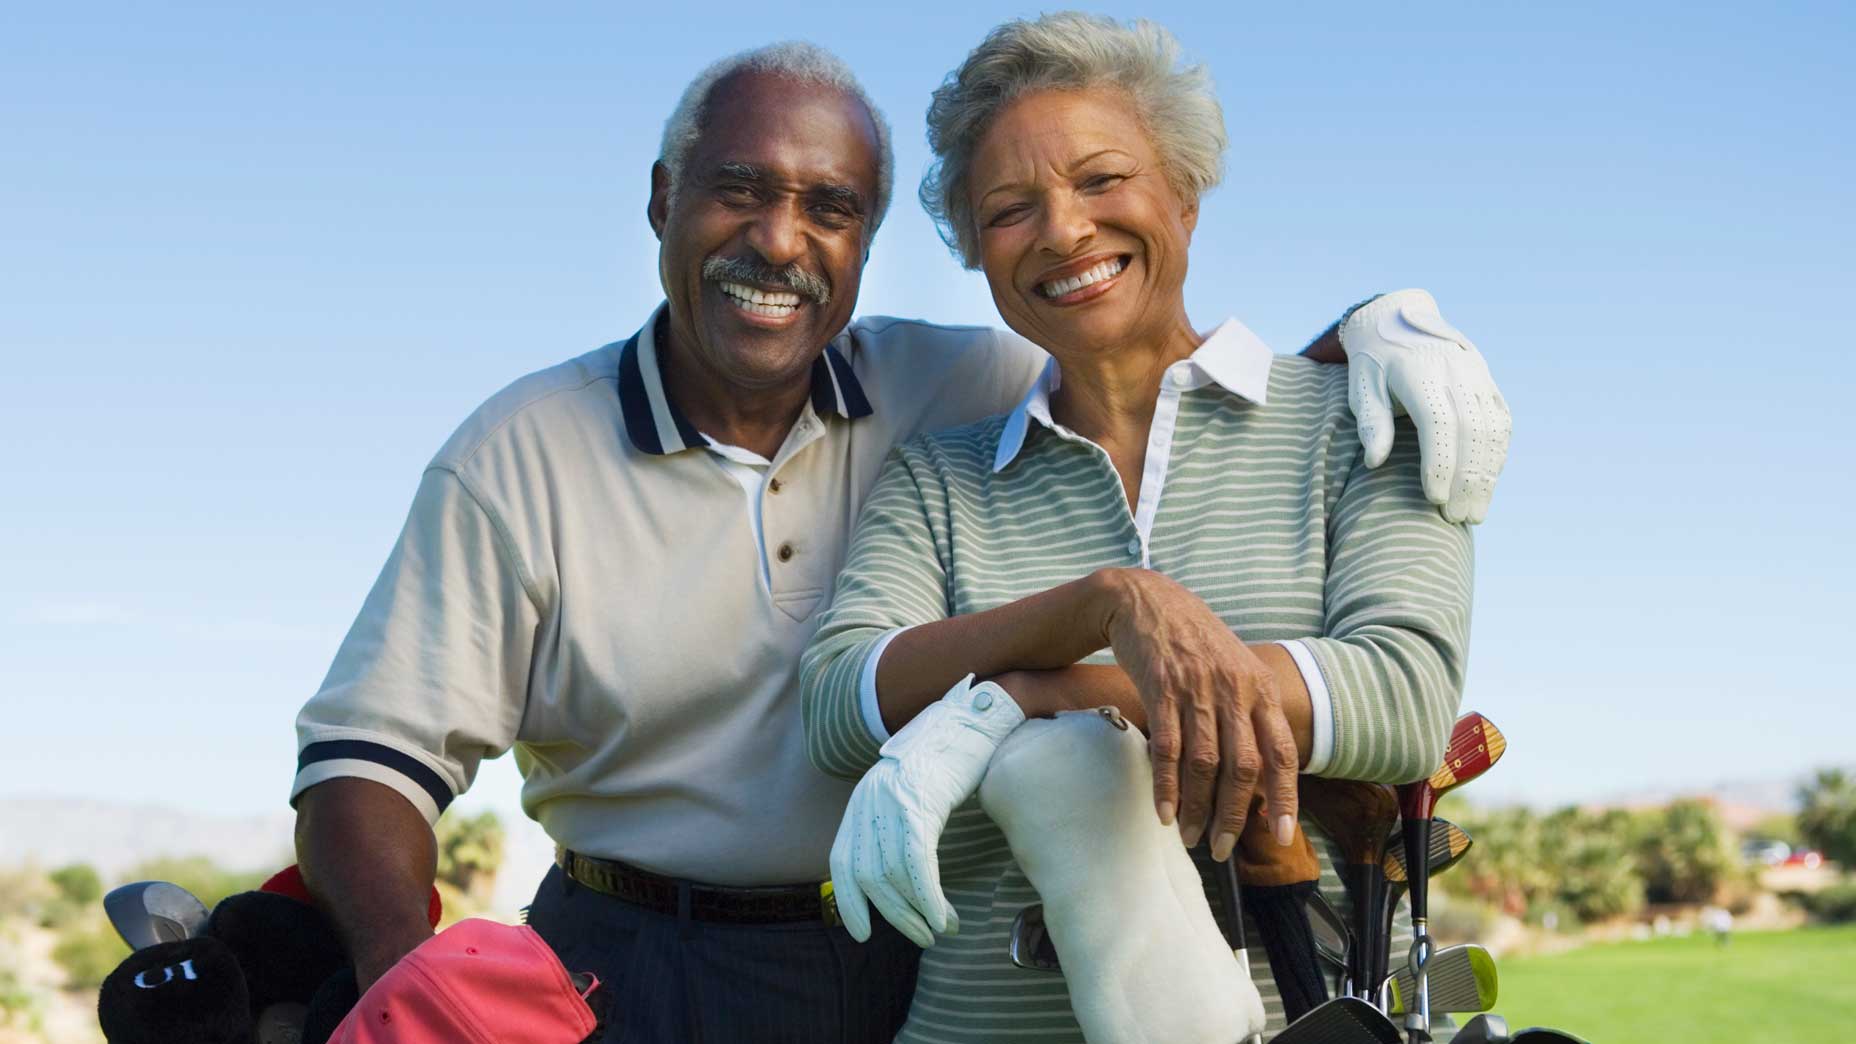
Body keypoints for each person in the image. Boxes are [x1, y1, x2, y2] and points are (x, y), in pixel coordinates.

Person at [290, 37, 1508, 1044]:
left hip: (886, 949)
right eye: (736, 189)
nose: (778, 241)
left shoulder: (966, 381)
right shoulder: (538, 447)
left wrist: (1380, 320)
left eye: (828, 207)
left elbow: (1171, 367)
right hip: (633, 959)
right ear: (662, 198)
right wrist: (408, 981)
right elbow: (373, 754)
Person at [803, 14, 1481, 1041]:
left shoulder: (1358, 418)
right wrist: (1105, 606)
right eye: (1008, 208)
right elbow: (841, 703)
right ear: (975, 250)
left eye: (1101, 180)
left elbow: (1399, 696)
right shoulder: (939, 476)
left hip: (1310, 1016)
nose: (1064, 231)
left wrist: (1008, 704)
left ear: (1184, 193)